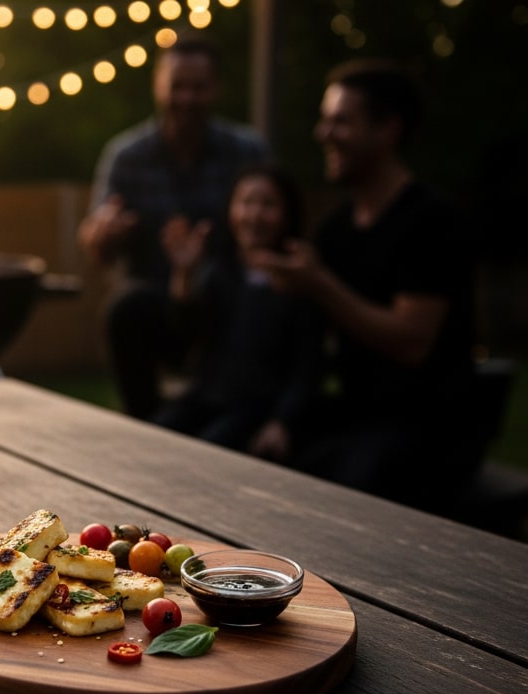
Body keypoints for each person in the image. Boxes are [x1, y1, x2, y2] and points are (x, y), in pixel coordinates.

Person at [252, 59, 480, 513]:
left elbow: (412, 341)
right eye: (325, 119)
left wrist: (320, 284)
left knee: (337, 498)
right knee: (255, 470)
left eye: (341, 121)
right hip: (355, 413)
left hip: (427, 423)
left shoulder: (430, 221)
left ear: (387, 130)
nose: (324, 133)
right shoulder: (336, 229)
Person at [78, 35, 268, 420]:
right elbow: (95, 242)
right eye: (177, 86)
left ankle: (248, 413)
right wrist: (104, 233)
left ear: (216, 89)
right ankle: (142, 424)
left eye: (198, 88)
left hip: (227, 302)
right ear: (158, 87)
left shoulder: (246, 150)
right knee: (124, 307)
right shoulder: (127, 156)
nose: (186, 98)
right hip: (156, 304)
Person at [154, 163, 325, 463]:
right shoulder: (220, 274)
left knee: (204, 453)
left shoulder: (300, 282)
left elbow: (308, 367)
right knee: (151, 439)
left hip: (257, 409)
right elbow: (182, 341)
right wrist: (183, 275)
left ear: (287, 214)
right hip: (207, 397)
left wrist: (281, 422)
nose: (254, 215)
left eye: (268, 204)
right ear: (231, 211)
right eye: (246, 202)